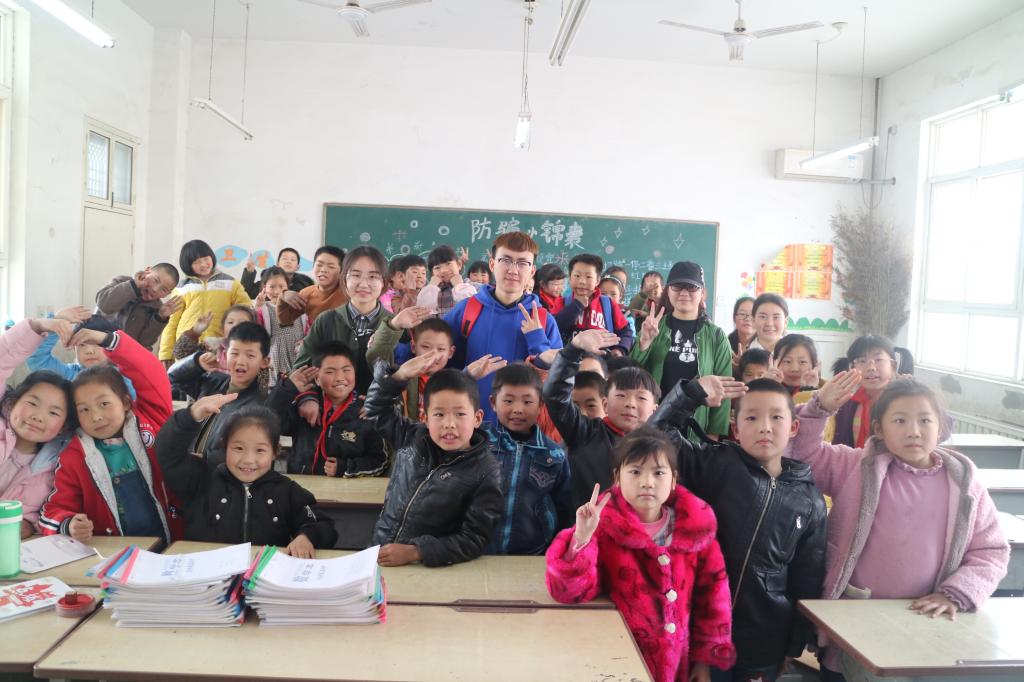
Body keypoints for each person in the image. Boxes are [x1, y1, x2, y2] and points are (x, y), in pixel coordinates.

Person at [792, 373, 1010, 681]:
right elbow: (803, 455)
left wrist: (955, 594)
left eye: (925, 420)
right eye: (900, 421)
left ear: (941, 426)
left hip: (924, 625)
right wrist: (818, 409)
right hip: (852, 622)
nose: (914, 431)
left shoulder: (963, 482)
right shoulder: (856, 466)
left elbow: (992, 550)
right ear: (879, 429)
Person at [651, 377, 827, 682]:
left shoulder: (810, 500)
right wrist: (691, 393)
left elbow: (807, 579)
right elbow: (655, 439)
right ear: (735, 427)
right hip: (699, 631)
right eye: (752, 418)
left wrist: (792, 645)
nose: (764, 427)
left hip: (763, 643)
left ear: (794, 427)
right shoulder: (716, 464)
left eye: (776, 417)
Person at [545, 428, 736, 682]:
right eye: (635, 472)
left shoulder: (695, 530)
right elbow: (569, 593)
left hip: (677, 664)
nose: (647, 482)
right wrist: (581, 538)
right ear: (617, 477)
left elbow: (714, 596)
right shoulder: (602, 528)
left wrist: (703, 660)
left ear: (673, 479)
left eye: (658, 473)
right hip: (616, 662)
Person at [39, 326, 181, 543]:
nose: (96, 417)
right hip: (115, 553)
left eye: (104, 404)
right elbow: (54, 510)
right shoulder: (74, 456)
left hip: (174, 544)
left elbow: (151, 370)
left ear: (125, 402)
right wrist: (69, 524)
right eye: (84, 409)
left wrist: (108, 340)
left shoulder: (152, 418)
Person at [365, 359, 503, 567]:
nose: (449, 424)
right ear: (425, 417)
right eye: (439, 414)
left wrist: (416, 551)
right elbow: (376, 410)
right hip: (379, 551)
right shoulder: (412, 438)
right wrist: (397, 378)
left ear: (477, 418)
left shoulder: (486, 471)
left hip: (428, 567)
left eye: (460, 414)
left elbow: (473, 539)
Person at [156, 402, 336, 555]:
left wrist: (306, 537)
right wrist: (190, 416)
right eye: (239, 448)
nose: (248, 460)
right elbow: (168, 453)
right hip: (206, 580)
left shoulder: (287, 491)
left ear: (275, 452)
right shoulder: (201, 480)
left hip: (261, 579)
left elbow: (323, 525)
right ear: (224, 446)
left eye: (260, 450)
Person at [443, 232, 563, 424]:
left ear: (532, 271)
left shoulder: (543, 320)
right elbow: (441, 367)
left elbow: (556, 384)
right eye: (505, 260)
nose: (513, 270)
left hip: (522, 431)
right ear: (492, 264)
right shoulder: (467, 310)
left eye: (522, 263)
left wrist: (538, 340)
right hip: (469, 428)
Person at [544, 328, 660, 508]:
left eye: (641, 398)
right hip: (586, 524)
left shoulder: (660, 444)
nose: (630, 404)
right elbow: (555, 396)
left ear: (655, 409)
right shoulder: (585, 433)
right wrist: (572, 351)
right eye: (621, 396)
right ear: (605, 403)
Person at [294, 246, 429, 397]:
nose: (364, 284)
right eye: (356, 275)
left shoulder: (396, 324)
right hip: (331, 407)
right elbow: (302, 370)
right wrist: (308, 399)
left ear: (384, 282)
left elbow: (407, 374)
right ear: (344, 279)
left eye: (373, 276)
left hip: (379, 408)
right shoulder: (326, 320)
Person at [631, 261, 732, 441]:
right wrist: (644, 342)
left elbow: (723, 390)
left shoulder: (716, 336)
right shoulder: (652, 328)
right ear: (668, 291)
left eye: (692, 287)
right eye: (677, 286)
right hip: (654, 427)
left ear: (702, 293)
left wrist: (712, 438)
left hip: (696, 431)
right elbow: (632, 376)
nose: (684, 293)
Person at [482, 363, 572, 555]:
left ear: (540, 406)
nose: (518, 409)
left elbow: (564, 508)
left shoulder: (554, 454)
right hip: (478, 551)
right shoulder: (478, 442)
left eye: (527, 402)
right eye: (508, 401)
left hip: (533, 554)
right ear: (493, 403)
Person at [0, 317, 77, 537]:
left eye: (53, 412)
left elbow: (35, 518)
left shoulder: (54, 469)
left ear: (63, 427)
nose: (38, 416)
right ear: (12, 404)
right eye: (33, 403)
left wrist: (25, 525)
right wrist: (36, 326)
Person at [268, 342, 385, 477]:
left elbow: (380, 461)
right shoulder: (303, 408)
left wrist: (345, 467)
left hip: (344, 490)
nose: (340, 378)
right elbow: (268, 424)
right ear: (317, 379)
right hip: (301, 487)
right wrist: (287, 388)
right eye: (330, 372)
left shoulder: (366, 412)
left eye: (346, 370)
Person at [167, 322, 271, 468]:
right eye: (234, 353)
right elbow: (172, 377)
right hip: (189, 469)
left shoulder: (261, 404)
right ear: (225, 354)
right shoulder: (213, 382)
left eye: (250, 355)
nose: (241, 361)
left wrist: (203, 459)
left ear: (264, 362)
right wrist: (196, 363)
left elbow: (245, 450)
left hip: (218, 476)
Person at [158, 240, 251, 365]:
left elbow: (245, 311)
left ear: (212, 257)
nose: (203, 264)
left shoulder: (230, 283)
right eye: (196, 262)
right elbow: (171, 323)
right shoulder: (181, 288)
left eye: (206, 259)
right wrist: (165, 354)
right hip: (186, 348)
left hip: (220, 347)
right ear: (187, 265)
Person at [27, 308, 137, 400]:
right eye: (82, 345)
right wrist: (55, 324)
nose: (89, 351)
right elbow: (37, 360)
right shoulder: (70, 374)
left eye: (97, 344)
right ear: (73, 347)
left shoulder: (123, 376)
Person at [556, 254, 634, 355]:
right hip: (569, 361)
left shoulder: (607, 304)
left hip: (602, 362)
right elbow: (555, 328)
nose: (582, 281)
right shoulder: (561, 302)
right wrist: (576, 305)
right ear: (570, 278)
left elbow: (626, 332)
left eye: (588, 277)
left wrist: (620, 349)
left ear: (597, 281)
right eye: (577, 276)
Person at [832, 335, 899, 448]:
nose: (871, 367)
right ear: (852, 368)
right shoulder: (846, 402)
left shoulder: (902, 403)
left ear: (892, 366)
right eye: (862, 361)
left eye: (878, 360)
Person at [95, 263, 182, 350]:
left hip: (126, 354)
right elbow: (104, 305)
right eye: (156, 280)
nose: (155, 289)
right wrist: (133, 285)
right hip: (98, 348)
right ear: (147, 271)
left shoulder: (157, 308)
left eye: (163, 290)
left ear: (167, 294)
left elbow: (146, 342)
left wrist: (160, 317)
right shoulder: (121, 281)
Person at [253, 267, 309, 386]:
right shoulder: (263, 309)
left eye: (281, 286)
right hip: (274, 357)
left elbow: (309, 328)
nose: (276, 291)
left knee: (298, 386)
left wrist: (306, 340)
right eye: (272, 287)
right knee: (273, 388)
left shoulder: (298, 306)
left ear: (288, 286)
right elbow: (255, 332)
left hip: (298, 354)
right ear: (264, 288)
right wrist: (257, 308)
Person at [276, 246, 346, 327]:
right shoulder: (307, 293)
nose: (323, 270)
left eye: (331, 267)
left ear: (341, 271)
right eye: (319, 265)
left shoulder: (348, 292)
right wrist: (283, 296)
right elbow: (285, 320)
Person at [172, 304, 255, 366]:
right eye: (230, 322)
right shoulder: (211, 346)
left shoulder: (256, 352)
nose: (235, 325)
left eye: (242, 322)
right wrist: (195, 331)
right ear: (222, 329)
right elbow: (181, 354)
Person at [417, 245, 477, 317]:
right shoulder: (428, 291)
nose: (443, 270)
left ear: (459, 265)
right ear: (432, 273)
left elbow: (472, 309)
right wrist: (432, 286)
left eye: (448, 264)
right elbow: (423, 313)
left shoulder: (473, 286)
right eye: (437, 267)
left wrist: (459, 285)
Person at [240, 247, 313, 298]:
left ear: (298, 267)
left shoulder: (304, 285)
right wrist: (249, 271)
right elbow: (245, 294)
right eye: (284, 258)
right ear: (277, 264)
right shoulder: (268, 281)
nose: (288, 261)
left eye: (292, 260)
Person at [728, 296, 756, 372]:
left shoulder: (763, 345)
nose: (747, 318)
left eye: (753, 314)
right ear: (734, 318)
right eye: (742, 314)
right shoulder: (724, 344)